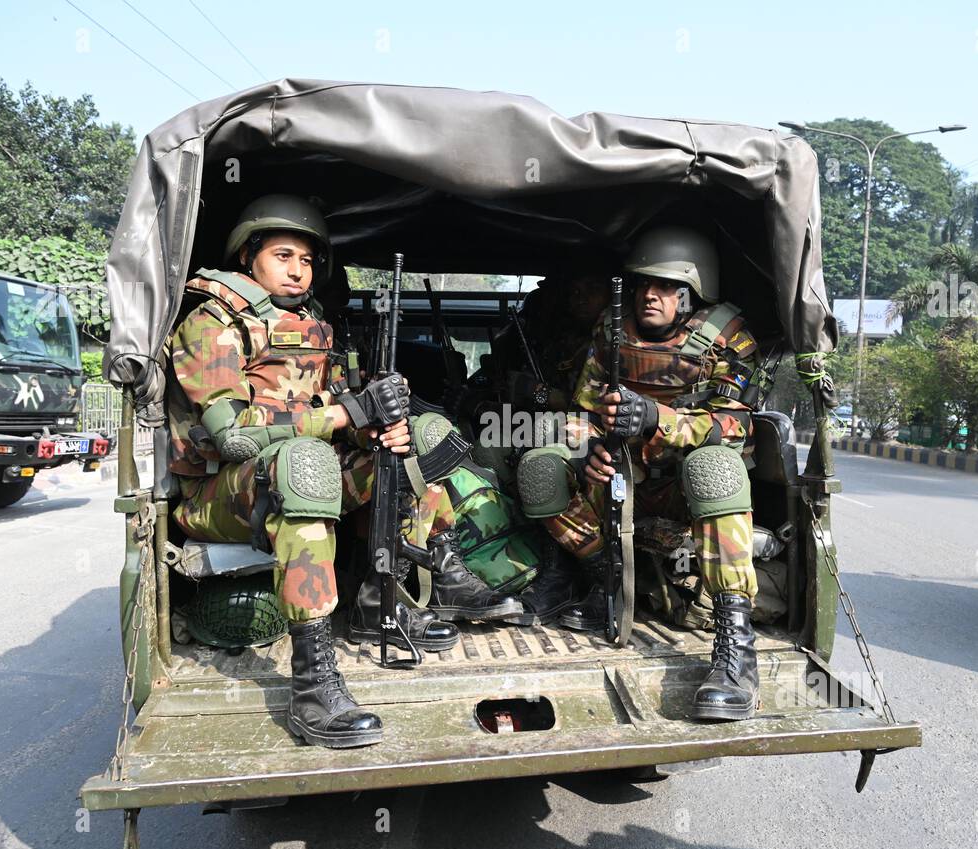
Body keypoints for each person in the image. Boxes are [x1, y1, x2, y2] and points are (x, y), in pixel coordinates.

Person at [168, 194, 489, 749]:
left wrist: (375, 425)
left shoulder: (312, 325)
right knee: (309, 464)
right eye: (283, 256)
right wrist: (344, 415)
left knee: (413, 448)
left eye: (308, 260)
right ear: (249, 257)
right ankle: (313, 683)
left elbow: (339, 413)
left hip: (287, 471)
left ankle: (381, 601)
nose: (298, 270)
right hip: (217, 492)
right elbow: (236, 437)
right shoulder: (211, 322)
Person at [515, 225, 763, 720]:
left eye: (667, 286)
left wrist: (657, 418)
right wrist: (586, 448)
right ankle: (600, 579)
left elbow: (737, 427)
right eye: (644, 283)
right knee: (539, 466)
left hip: (683, 487)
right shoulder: (612, 329)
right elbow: (582, 412)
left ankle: (736, 645)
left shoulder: (727, 339)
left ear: (693, 292)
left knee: (717, 466)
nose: (650, 294)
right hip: (619, 479)